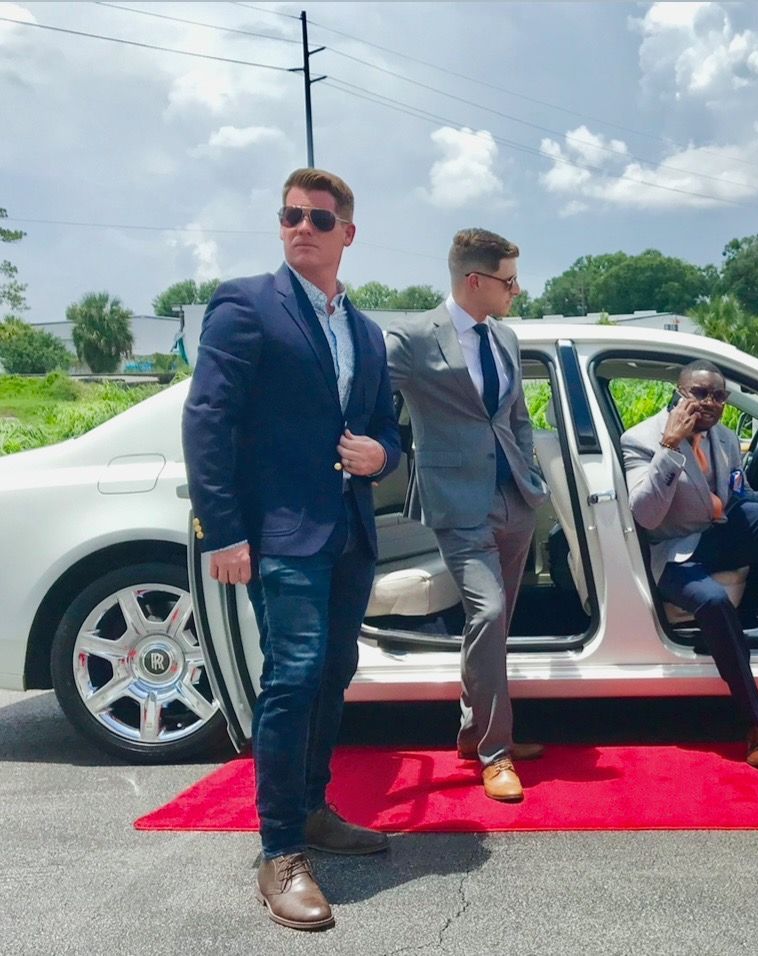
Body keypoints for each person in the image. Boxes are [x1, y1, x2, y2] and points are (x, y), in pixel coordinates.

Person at [182, 168, 401, 931]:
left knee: (335, 671)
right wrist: (225, 529)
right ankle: (280, 852)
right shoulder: (248, 304)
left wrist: (383, 455)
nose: (300, 226)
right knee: (294, 674)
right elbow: (208, 419)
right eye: (289, 215)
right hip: (278, 533)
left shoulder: (367, 333)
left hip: (347, 530)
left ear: (347, 231)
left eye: (316, 216)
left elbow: (387, 427)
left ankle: (311, 810)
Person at [386, 228, 548, 802]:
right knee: (489, 611)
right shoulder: (410, 338)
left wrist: (529, 471)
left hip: (514, 499)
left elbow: (516, 415)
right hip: (456, 503)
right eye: (508, 281)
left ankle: (473, 729)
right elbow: (369, 401)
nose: (517, 290)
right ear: (473, 280)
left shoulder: (503, 336)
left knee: (495, 626)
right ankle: (495, 753)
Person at [620, 360, 758, 770]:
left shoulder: (726, 439)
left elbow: (736, 497)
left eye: (719, 395)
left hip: (718, 534)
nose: (710, 403)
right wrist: (670, 447)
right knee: (714, 602)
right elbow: (644, 515)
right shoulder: (641, 440)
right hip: (675, 551)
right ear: (679, 393)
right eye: (699, 393)